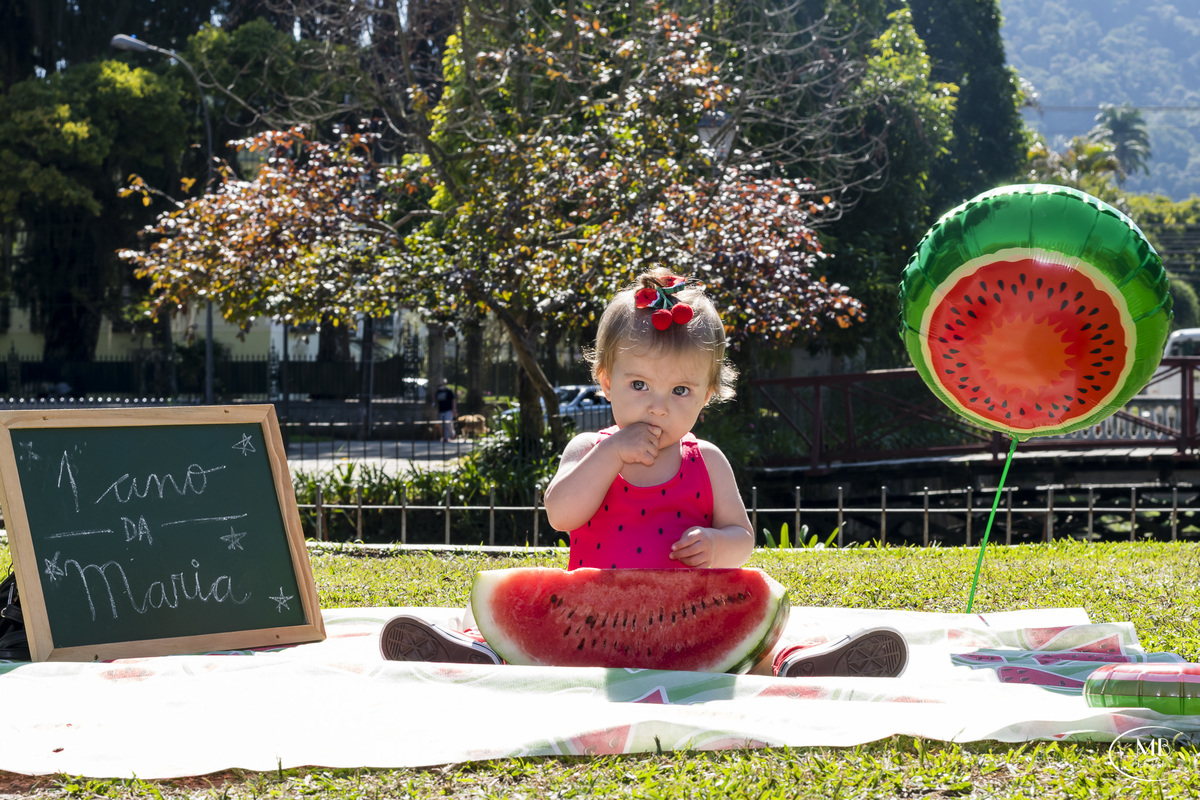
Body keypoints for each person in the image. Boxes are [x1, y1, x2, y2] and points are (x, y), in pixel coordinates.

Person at [381, 270, 907, 678]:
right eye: (639, 387)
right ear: (605, 382)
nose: (658, 408)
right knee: (506, 625)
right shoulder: (590, 447)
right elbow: (561, 515)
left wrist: (717, 545)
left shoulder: (709, 461)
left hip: (690, 626)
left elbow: (742, 539)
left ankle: (797, 662)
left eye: (680, 392)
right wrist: (609, 458)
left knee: (763, 635)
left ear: (706, 396)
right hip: (589, 626)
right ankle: (477, 653)